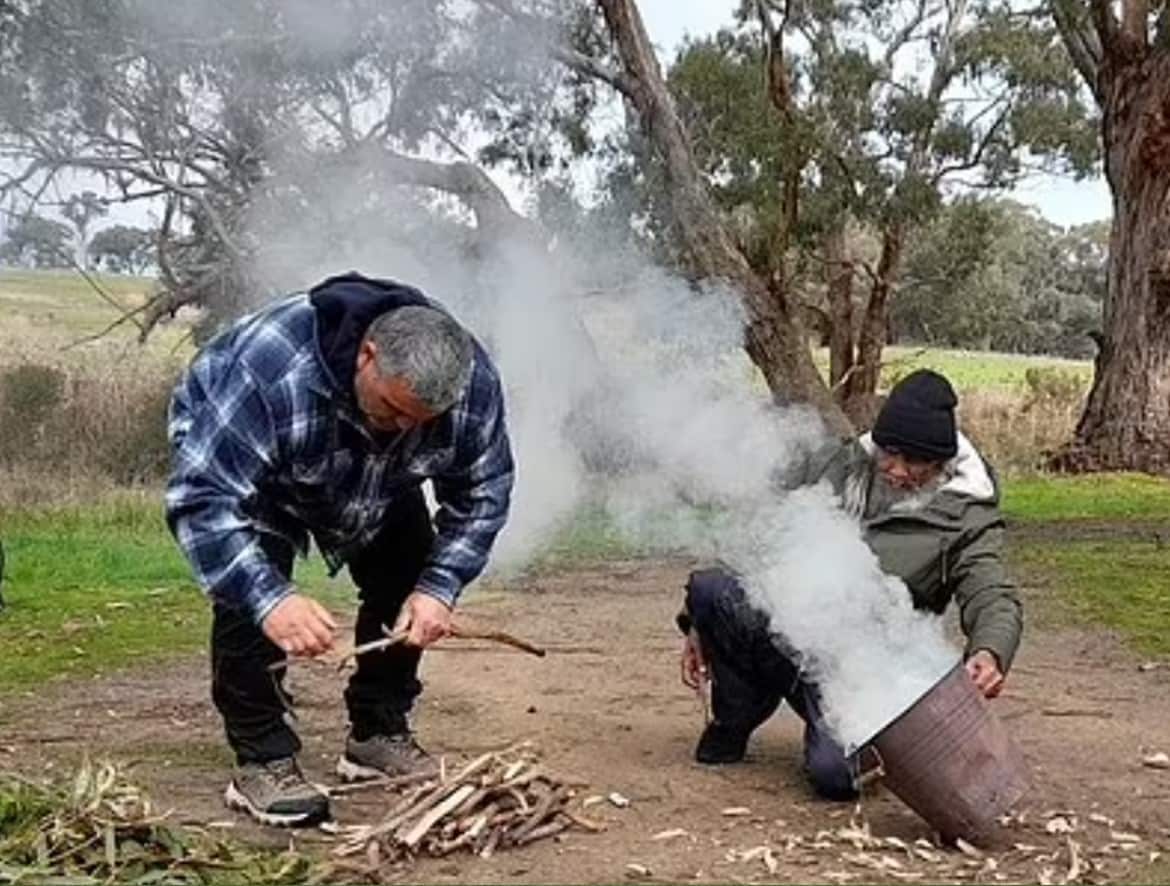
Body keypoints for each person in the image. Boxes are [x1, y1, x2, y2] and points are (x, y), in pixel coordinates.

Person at [166, 272, 513, 827]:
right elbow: (203, 501)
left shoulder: (471, 383)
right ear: (366, 356)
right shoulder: (268, 368)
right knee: (248, 595)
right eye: (393, 409)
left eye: (419, 423)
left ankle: (378, 732)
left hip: (377, 479)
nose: (403, 428)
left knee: (410, 567)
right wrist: (271, 601)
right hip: (265, 475)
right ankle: (263, 758)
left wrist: (439, 588)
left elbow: (484, 491)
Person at [677, 369, 1022, 801]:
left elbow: (993, 594)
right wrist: (698, 625)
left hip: (867, 670)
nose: (894, 469)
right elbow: (762, 531)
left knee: (835, 777)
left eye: (912, 460)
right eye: (888, 453)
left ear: (940, 462)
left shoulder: (967, 516)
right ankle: (735, 716)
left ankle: (834, 729)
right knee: (712, 589)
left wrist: (990, 651)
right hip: (796, 631)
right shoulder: (837, 465)